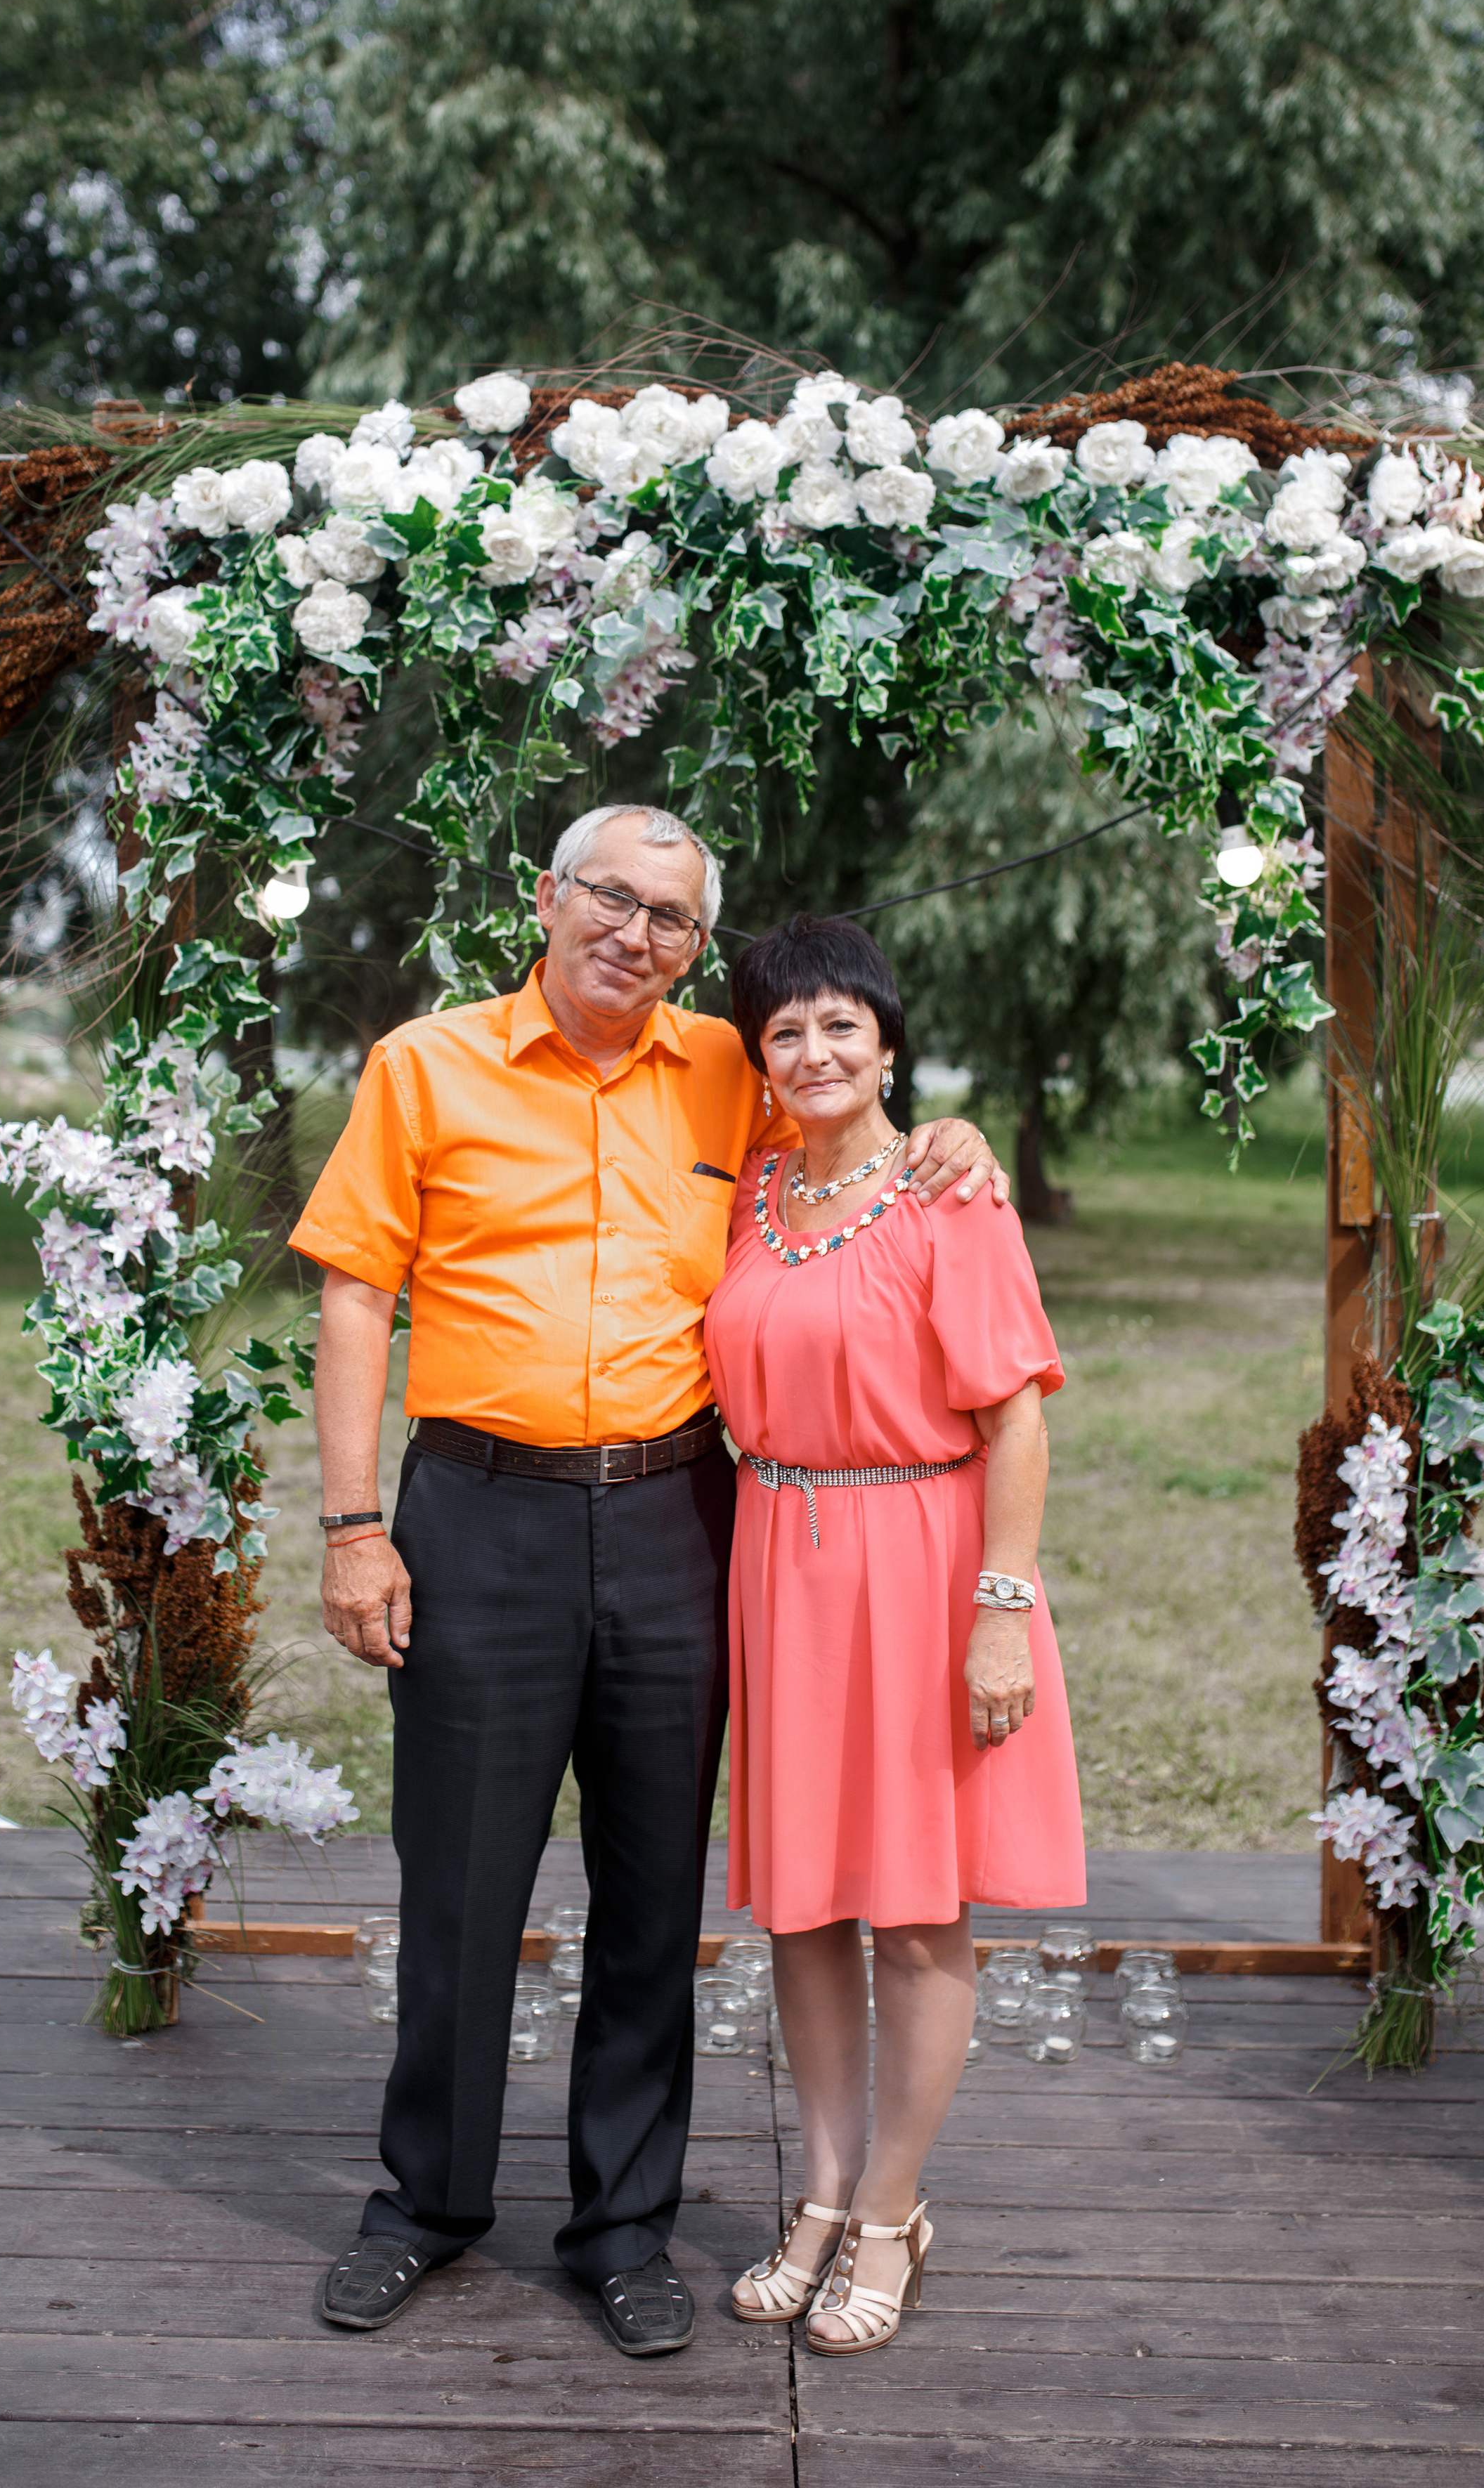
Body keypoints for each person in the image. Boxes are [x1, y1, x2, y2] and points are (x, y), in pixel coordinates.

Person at [287, 806, 1003, 2357]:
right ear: (544, 899)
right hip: (477, 1512)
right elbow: (357, 1296)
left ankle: (622, 2225)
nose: (637, 932)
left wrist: (955, 1134)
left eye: (672, 918)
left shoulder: (727, 1069)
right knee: (461, 1885)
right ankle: (427, 2205)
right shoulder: (426, 1064)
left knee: (650, 1894)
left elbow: (851, 1137)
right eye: (611, 898)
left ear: (695, 944)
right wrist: (353, 1524)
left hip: (685, 1515)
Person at [703, 914, 1084, 2357]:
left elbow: (1017, 1419)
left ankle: (892, 2214)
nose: (811, 1051)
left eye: (838, 1026)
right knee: (804, 1903)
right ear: (760, 1055)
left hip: (926, 1563)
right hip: (781, 1563)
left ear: (886, 1042)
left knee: (919, 1910)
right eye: (784, 1030)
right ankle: (821, 2193)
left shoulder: (948, 1203)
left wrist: (1001, 1613)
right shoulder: (744, 1194)